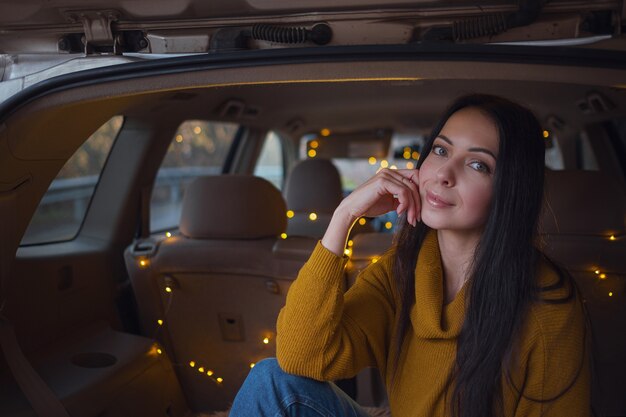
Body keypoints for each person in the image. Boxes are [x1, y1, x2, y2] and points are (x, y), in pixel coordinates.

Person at [229, 94, 591, 417]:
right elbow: (302, 356)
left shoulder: (548, 307)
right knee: (270, 380)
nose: (445, 174)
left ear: (511, 188)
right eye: (441, 150)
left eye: (478, 164)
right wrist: (344, 216)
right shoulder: (400, 268)